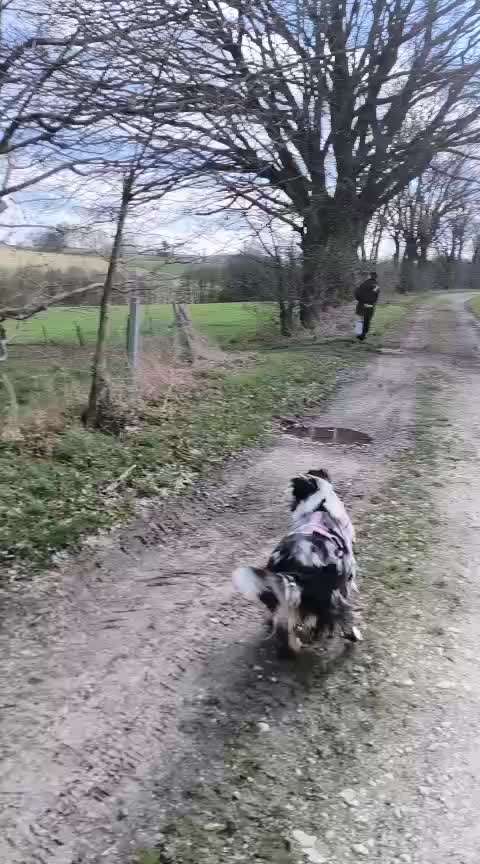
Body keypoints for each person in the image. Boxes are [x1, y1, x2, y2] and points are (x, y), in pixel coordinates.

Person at [354, 271, 379, 341]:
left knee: (360, 318)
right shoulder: (376, 285)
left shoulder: (363, 284)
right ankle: (363, 334)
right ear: (376, 277)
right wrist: (372, 301)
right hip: (370, 305)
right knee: (367, 319)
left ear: (369, 276)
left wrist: (360, 300)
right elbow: (375, 295)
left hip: (361, 304)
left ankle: (358, 334)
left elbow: (357, 293)